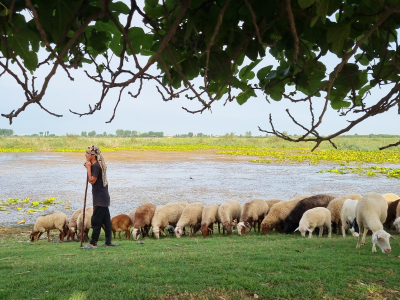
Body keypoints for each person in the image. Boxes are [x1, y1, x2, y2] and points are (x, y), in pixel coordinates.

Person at [81, 145, 117, 249]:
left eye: (87, 153)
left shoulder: (96, 166)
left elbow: (92, 181)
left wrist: (88, 168)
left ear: (92, 155)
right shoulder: (98, 165)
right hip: (104, 197)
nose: (85, 155)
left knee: (96, 221)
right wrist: (89, 167)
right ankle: (108, 242)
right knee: (106, 221)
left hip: (100, 198)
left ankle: (93, 243)